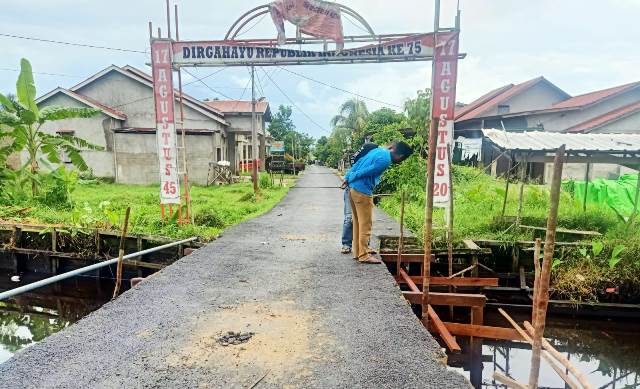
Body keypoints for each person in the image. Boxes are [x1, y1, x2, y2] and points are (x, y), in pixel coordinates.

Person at [342, 141, 413, 263]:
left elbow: (358, 163)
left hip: (353, 189)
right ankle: (363, 255)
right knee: (365, 224)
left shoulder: (377, 150)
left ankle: (357, 251)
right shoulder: (385, 160)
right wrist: (352, 177)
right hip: (362, 191)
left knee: (357, 223)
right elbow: (365, 171)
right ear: (401, 156)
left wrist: (347, 178)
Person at [341, 142, 378, 254]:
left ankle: (365, 247)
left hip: (364, 191)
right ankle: (346, 245)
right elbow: (354, 171)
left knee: (365, 221)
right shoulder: (361, 158)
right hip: (352, 189)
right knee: (349, 218)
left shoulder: (374, 159)